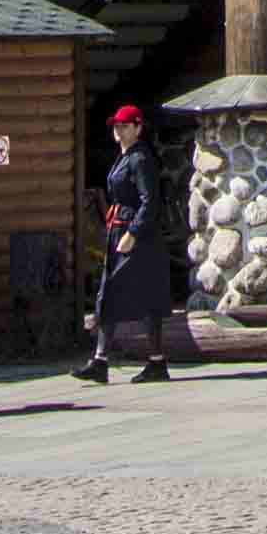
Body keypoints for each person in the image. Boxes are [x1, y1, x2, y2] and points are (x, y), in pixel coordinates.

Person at [72, 105, 183, 381]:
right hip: (119, 231)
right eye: (115, 126)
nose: (118, 130)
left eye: (124, 125)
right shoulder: (124, 157)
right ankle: (102, 361)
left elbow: (150, 201)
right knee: (110, 293)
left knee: (136, 295)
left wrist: (132, 234)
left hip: (138, 238)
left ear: (137, 127)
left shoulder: (141, 158)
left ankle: (153, 362)